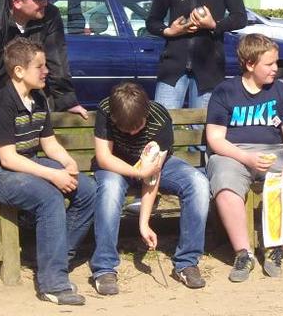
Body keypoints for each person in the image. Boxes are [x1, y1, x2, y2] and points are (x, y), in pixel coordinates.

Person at [0, 37, 95, 305]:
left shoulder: (38, 98)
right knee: (49, 198)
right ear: (19, 71)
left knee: (88, 189)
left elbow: (48, 143)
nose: (46, 71)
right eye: (40, 66)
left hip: (27, 162)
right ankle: (53, 284)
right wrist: (53, 175)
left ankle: (57, 257)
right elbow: (8, 159)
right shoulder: (2, 103)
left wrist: (67, 163)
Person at [205, 34, 283, 281]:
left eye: (276, 62)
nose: (276, 68)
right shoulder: (225, 91)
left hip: (275, 153)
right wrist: (247, 158)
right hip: (233, 153)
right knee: (224, 182)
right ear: (249, 64)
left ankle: (275, 241)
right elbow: (215, 139)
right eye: (269, 64)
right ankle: (243, 254)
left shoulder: (282, 91)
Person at [90, 82, 210, 295]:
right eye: (126, 129)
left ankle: (187, 262)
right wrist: (137, 172)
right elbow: (104, 157)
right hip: (116, 165)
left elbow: (152, 176)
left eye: (137, 127)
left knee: (198, 183)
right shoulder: (106, 109)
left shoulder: (159, 118)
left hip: (153, 167)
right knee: (109, 188)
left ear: (146, 113)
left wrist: (144, 224)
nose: (132, 133)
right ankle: (104, 267)